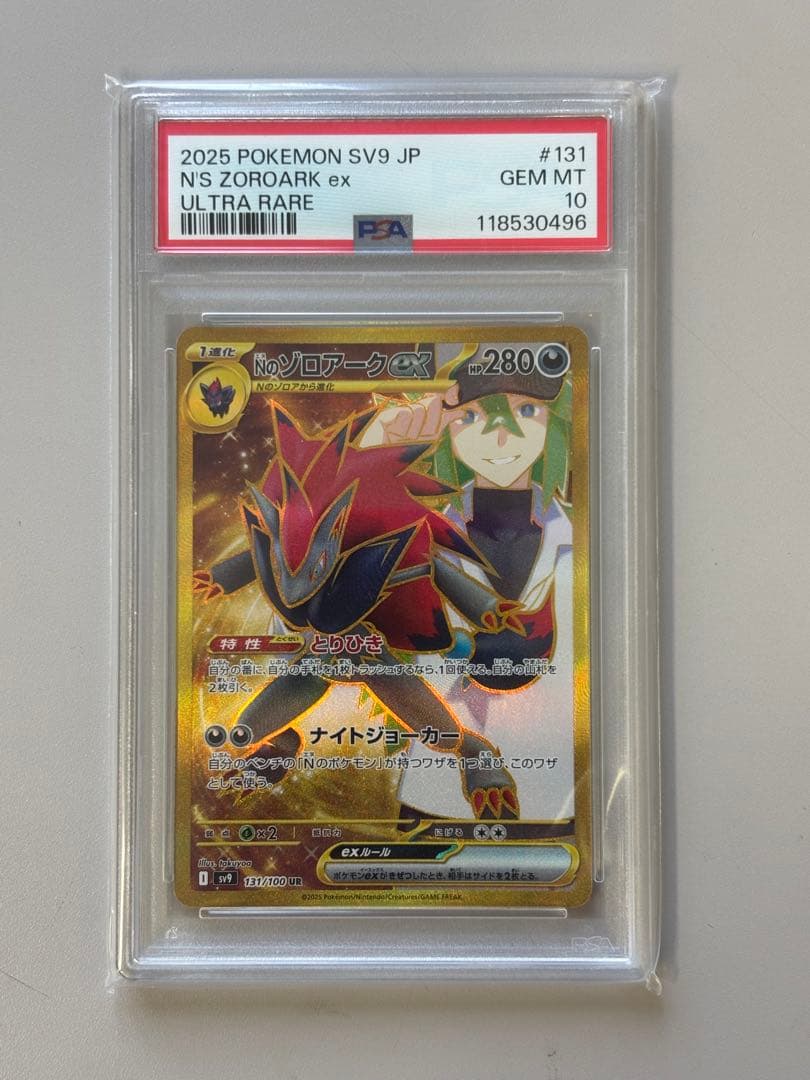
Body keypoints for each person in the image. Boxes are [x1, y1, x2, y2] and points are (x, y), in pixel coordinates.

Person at [361, 343, 576, 826]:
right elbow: (329, 560)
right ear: (447, 430)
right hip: (439, 793)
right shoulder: (416, 536)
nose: (501, 435)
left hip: (558, 793)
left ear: (554, 423)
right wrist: (377, 447)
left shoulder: (582, 538)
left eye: (527, 411)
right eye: (471, 416)